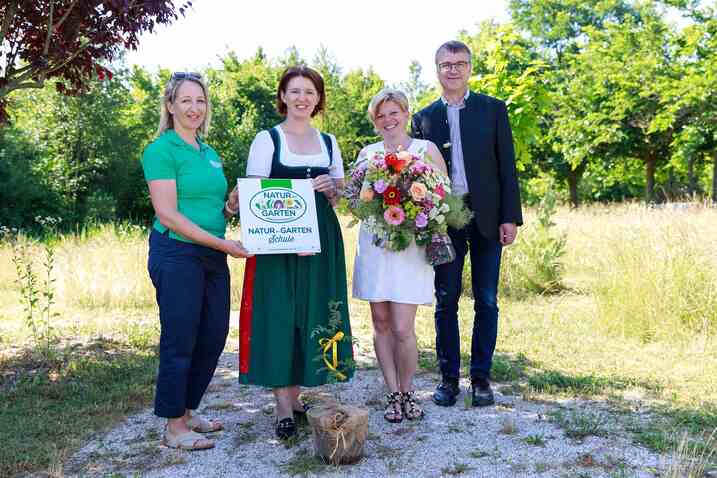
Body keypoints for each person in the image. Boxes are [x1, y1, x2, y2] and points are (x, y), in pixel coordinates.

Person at [238, 65, 353, 440]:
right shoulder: (267, 140)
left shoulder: (330, 142)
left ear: (318, 99)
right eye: (295, 91)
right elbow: (253, 196)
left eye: (310, 91)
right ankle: (282, 404)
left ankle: (301, 391)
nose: (303, 98)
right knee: (280, 313)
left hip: (321, 237)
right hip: (278, 238)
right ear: (283, 97)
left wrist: (331, 187)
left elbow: (339, 197)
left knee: (315, 311)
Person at [142, 72, 251, 450]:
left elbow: (209, 208)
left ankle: (188, 410)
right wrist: (224, 244)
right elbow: (169, 214)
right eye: (186, 100)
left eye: (200, 101)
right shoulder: (160, 151)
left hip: (211, 253)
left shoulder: (210, 153)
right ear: (170, 106)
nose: (194, 108)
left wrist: (231, 206)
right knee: (180, 337)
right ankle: (174, 427)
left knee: (214, 333)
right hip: (176, 253)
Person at [411, 41, 523, 408]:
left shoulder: (493, 109)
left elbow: (507, 166)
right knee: (445, 299)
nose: (453, 70)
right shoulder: (424, 118)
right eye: (446, 64)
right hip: (444, 217)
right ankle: (447, 379)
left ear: (470, 67)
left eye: (460, 63)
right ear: (437, 70)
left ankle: (481, 377)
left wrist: (511, 217)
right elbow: (417, 174)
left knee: (487, 300)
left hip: (489, 215)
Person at [352, 89, 448, 423]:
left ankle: (408, 392)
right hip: (376, 247)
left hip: (411, 248)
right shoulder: (367, 153)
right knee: (380, 324)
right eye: (381, 115)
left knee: (403, 328)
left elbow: (443, 196)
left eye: (394, 112)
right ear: (375, 122)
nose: (388, 120)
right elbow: (356, 199)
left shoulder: (426, 150)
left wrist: (414, 208)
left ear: (406, 114)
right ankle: (392, 394)